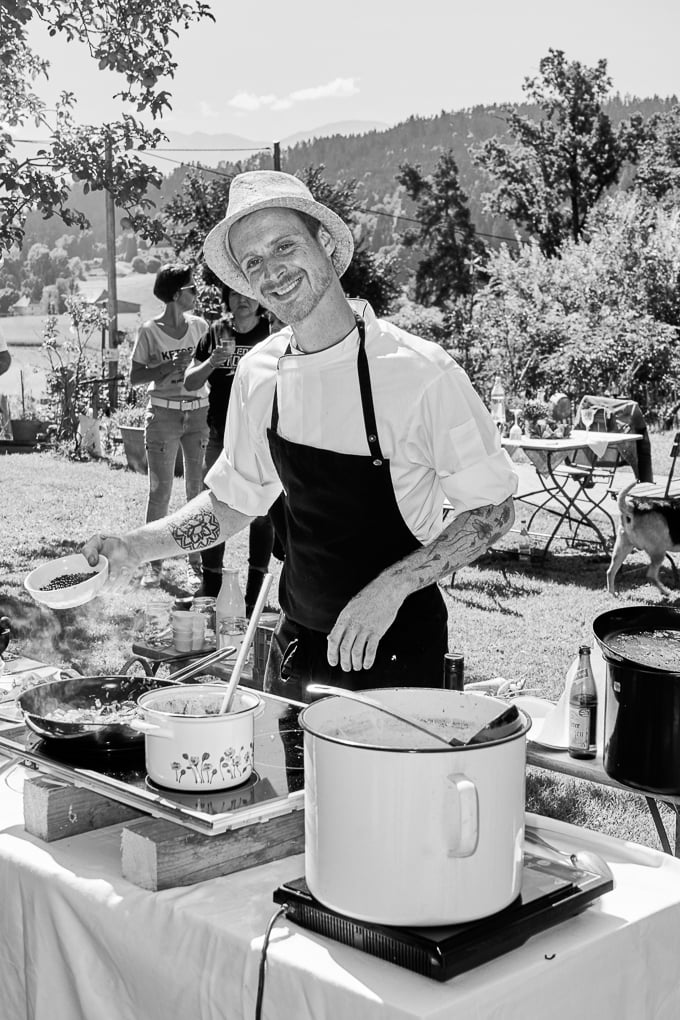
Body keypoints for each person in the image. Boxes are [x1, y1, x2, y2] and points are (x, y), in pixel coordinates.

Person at [84, 171, 517, 699]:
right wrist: (135, 547)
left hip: (399, 651)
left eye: (284, 245)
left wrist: (392, 587)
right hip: (299, 650)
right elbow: (231, 502)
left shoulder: (420, 372)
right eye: (254, 263)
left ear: (325, 244)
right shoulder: (259, 373)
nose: (272, 272)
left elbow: (493, 509)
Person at [184, 284, 275, 612]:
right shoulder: (216, 331)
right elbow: (190, 381)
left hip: (263, 438)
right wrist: (213, 361)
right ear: (228, 300)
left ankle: (255, 590)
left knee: (262, 513)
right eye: (235, 294)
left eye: (249, 294)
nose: (243, 300)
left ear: (259, 299)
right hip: (221, 435)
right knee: (214, 504)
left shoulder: (272, 331)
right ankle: (211, 582)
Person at [129, 263, 210, 588]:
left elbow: (210, 368)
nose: (196, 293)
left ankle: (197, 564)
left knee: (197, 493)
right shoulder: (149, 331)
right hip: (162, 417)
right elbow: (135, 376)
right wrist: (164, 368)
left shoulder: (201, 327)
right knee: (159, 493)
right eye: (192, 289)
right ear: (177, 294)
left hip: (199, 414)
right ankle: (155, 567)